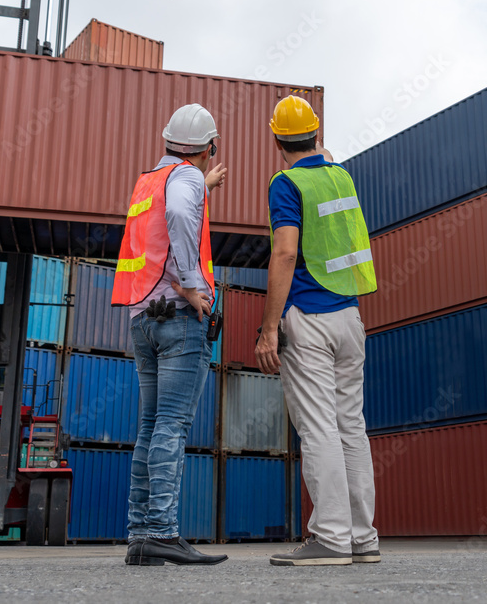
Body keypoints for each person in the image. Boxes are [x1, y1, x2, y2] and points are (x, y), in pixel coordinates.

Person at [254, 95, 380, 567]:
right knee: (351, 426)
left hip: (308, 317)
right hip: (350, 317)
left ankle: (329, 538)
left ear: (276, 140)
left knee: (318, 428)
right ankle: (361, 537)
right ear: (316, 134)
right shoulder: (341, 176)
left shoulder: (285, 184)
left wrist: (270, 327)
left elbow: (285, 253)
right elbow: (325, 163)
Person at [111, 103, 229, 567]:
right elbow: (181, 214)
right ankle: (163, 530)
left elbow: (167, 215)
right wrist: (193, 287)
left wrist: (205, 186)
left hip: (143, 318)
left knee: (148, 426)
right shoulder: (188, 180)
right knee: (173, 426)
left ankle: (140, 535)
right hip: (179, 317)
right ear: (208, 148)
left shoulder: (149, 181)